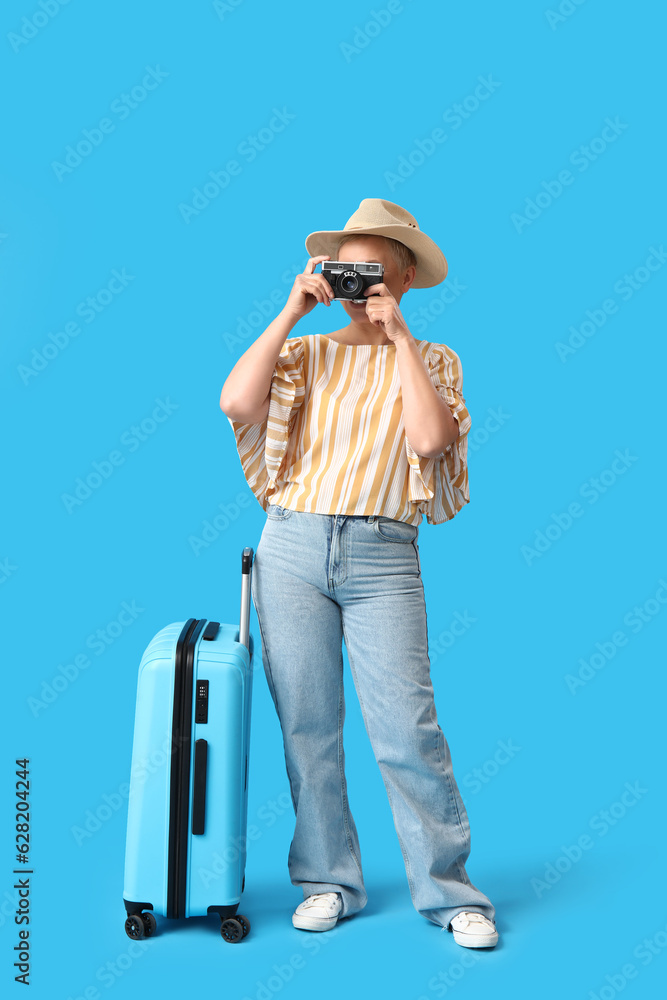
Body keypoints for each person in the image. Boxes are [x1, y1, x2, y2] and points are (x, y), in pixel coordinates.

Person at [220, 198, 499, 950]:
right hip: (291, 546)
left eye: (373, 266)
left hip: (383, 554)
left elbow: (431, 438)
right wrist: (289, 310)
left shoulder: (433, 356)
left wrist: (398, 335)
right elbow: (234, 403)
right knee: (307, 728)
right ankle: (326, 880)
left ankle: (449, 894)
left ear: (403, 275)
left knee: (406, 729)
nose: (358, 279)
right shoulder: (305, 353)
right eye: (347, 266)